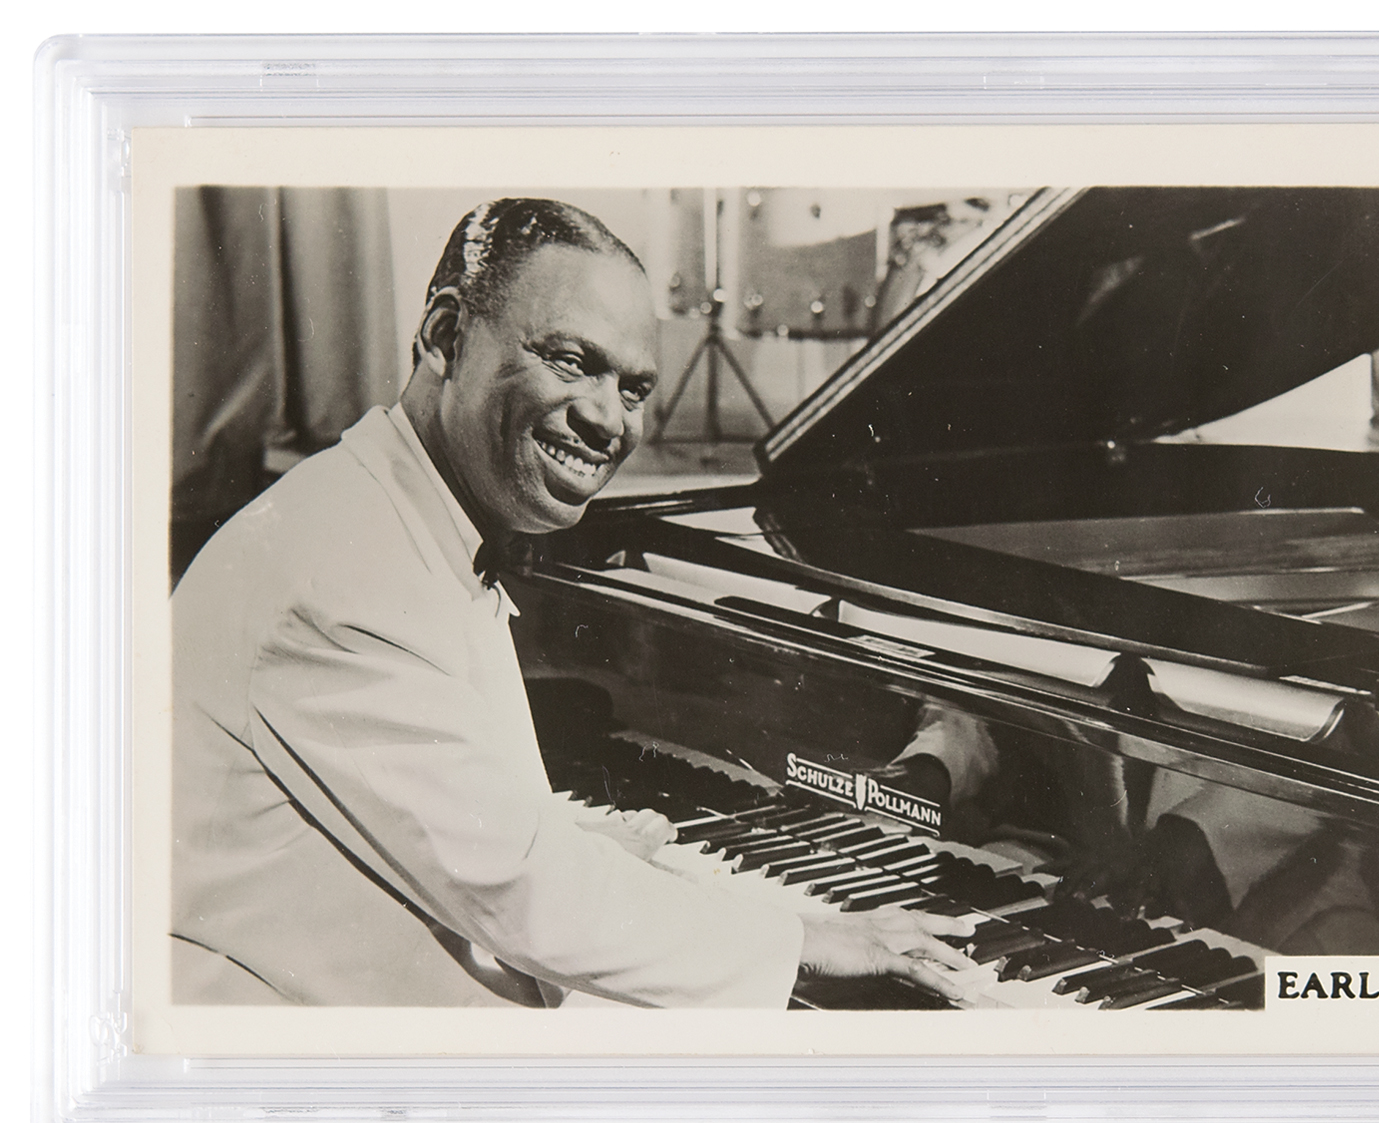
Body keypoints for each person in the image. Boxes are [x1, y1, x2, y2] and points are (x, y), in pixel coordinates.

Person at [171, 198, 972, 1008]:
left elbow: (466, 830)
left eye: (635, 387)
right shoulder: (339, 572)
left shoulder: (398, 513)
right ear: (446, 336)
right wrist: (805, 939)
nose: (606, 417)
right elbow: (527, 891)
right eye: (570, 360)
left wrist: (598, 849)